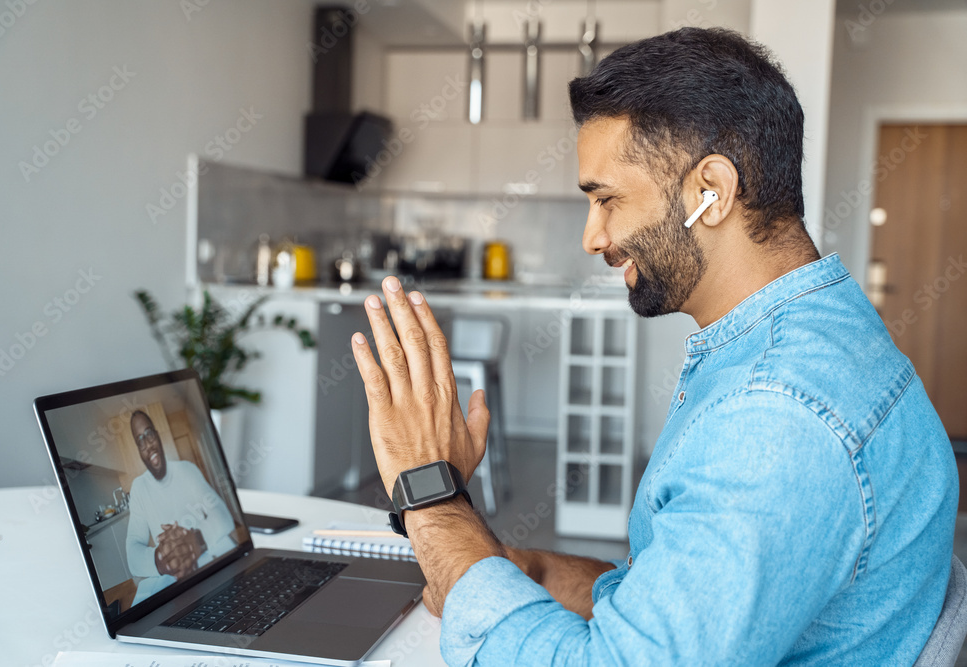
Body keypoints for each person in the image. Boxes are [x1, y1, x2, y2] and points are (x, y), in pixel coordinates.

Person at [350, 27, 958, 665]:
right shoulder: (817, 338)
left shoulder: (777, 416)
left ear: (711, 193)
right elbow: (697, 601)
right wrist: (520, 572)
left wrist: (433, 497)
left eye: (607, 199)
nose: (593, 236)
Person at [125, 409, 237, 602]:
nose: (148, 444)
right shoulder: (139, 488)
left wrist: (196, 541)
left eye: (149, 434)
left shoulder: (187, 470)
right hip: (174, 589)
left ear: (158, 436)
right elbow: (133, 551)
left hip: (208, 574)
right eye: (140, 441)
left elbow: (222, 514)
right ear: (138, 450)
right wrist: (163, 559)